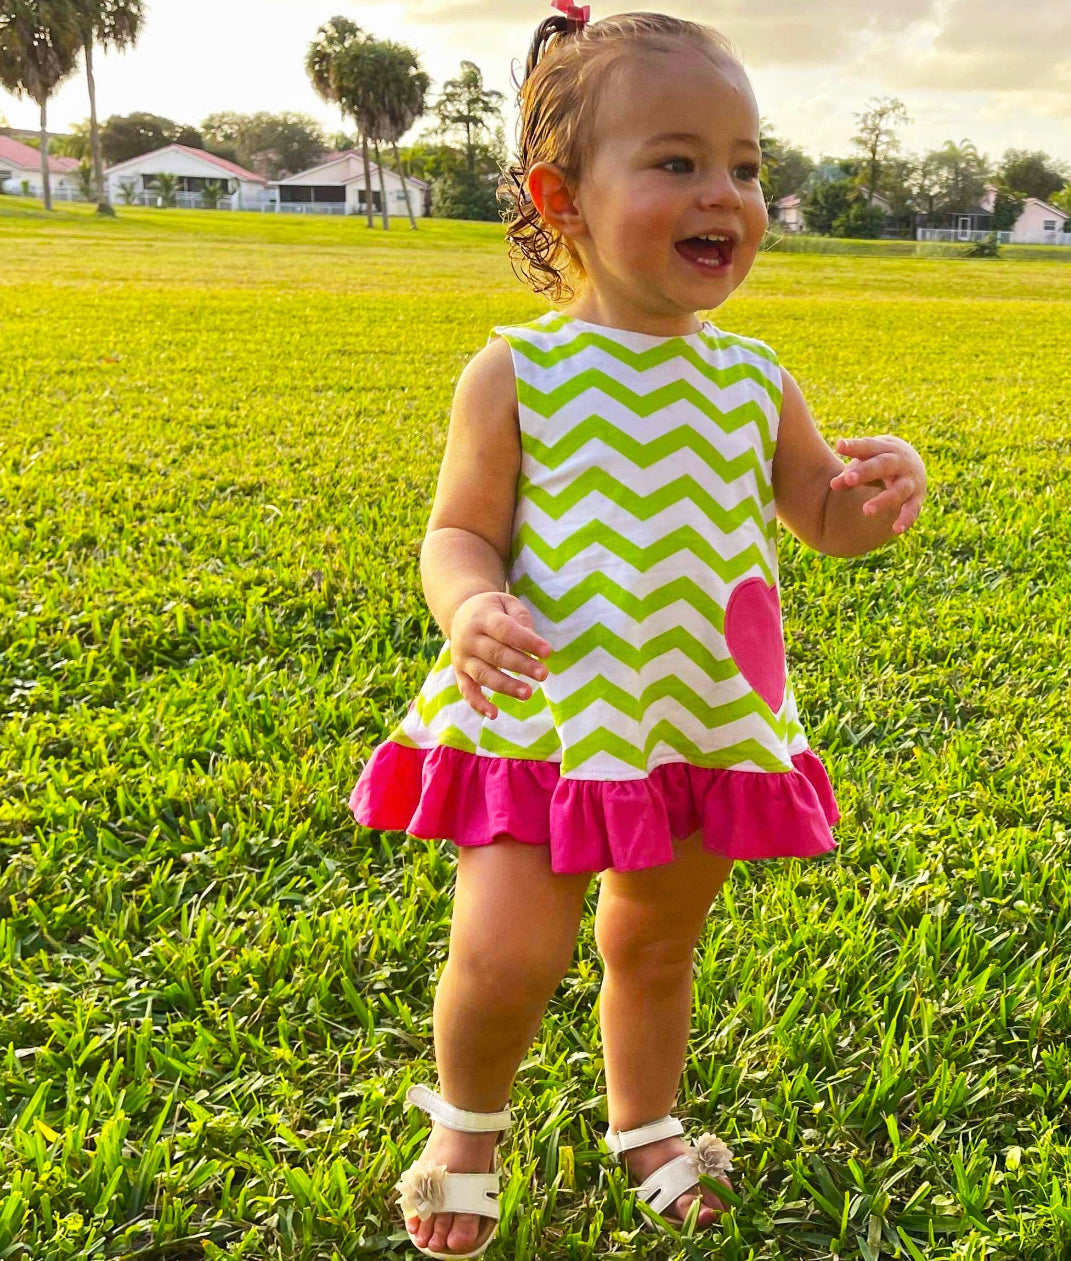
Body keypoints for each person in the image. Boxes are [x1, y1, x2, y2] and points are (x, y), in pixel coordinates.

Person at [348, 4, 927, 1256]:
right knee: (506, 953)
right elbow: (457, 532)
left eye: (746, 166)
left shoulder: (755, 377)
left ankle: (644, 1122)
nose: (725, 193)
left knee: (655, 945)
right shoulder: (519, 374)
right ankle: (465, 1122)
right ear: (562, 197)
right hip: (547, 718)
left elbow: (818, 517)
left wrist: (872, 499)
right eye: (677, 162)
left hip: (697, 716)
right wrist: (469, 606)